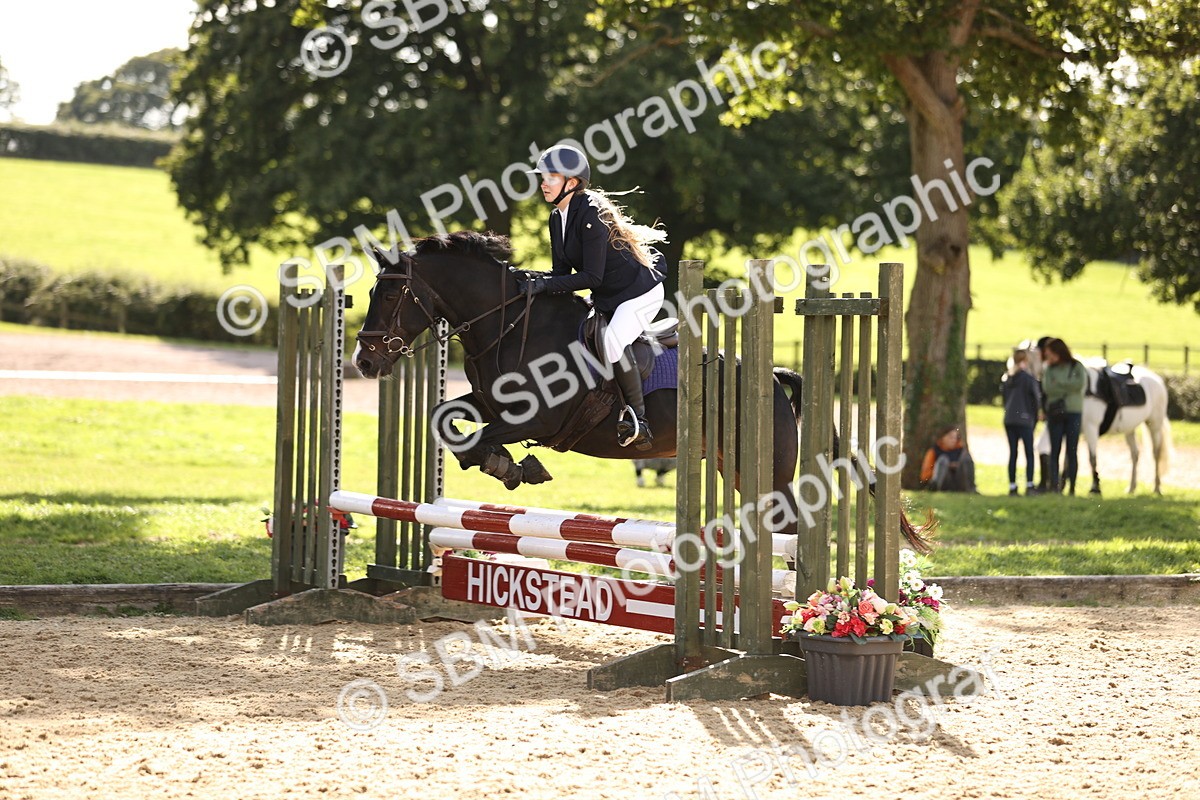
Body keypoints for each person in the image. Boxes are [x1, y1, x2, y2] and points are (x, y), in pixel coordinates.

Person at [521, 144, 668, 450]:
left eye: (551, 177)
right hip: (610, 296)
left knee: (614, 341)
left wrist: (544, 286)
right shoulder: (556, 217)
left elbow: (591, 277)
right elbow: (560, 272)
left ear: (571, 183)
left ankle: (639, 419)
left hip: (640, 293)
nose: (543, 183)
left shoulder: (591, 214)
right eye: (543, 177)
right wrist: (529, 278)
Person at [1041, 337, 1088, 494]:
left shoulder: (1076, 366)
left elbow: (1080, 385)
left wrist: (1059, 384)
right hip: (1055, 412)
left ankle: (1072, 486)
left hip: (1073, 412)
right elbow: (1048, 388)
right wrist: (1068, 385)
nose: (1047, 357)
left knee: (1072, 450)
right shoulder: (1049, 369)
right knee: (1055, 450)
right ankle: (1054, 486)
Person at [1002, 349, 1042, 495]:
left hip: (1009, 420)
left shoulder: (1008, 378)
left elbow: (1004, 399)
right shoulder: (1028, 379)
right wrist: (1035, 416)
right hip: (1025, 419)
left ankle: (1012, 486)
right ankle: (1029, 485)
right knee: (1029, 453)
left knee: (1013, 453)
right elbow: (1036, 400)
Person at [920, 425, 977, 492]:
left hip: (960, 483)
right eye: (950, 437)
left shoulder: (961, 451)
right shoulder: (934, 452)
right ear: (942, 437)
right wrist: (945, 467)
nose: (953, 440)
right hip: (943, 483)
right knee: (943, 460)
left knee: (967, 459)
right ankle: (936, 488)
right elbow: (924, 476)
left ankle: (971, 489)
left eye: (955, 438)